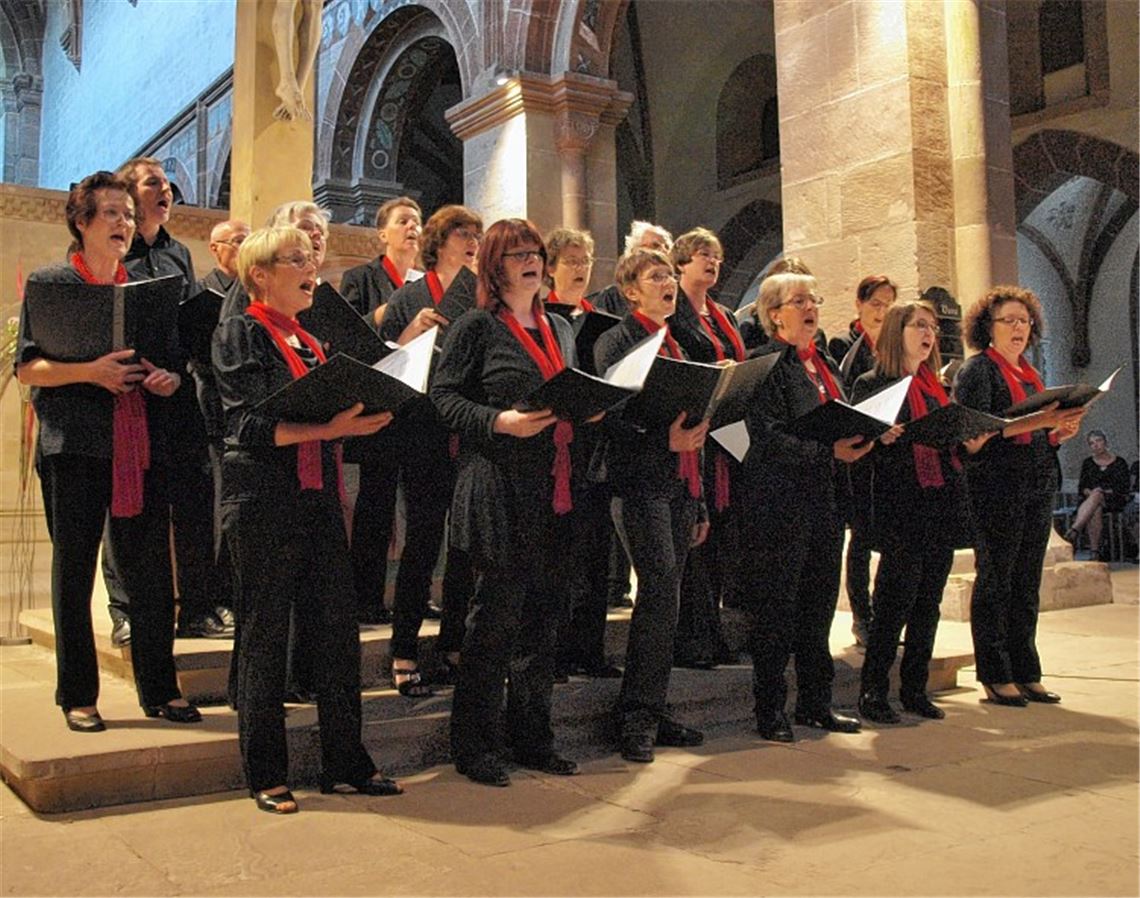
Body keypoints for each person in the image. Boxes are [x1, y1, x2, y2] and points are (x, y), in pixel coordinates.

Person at [214, 225, 403, 814]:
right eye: (295, 260)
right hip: (262, 501)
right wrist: (332, 428)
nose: (310, 268)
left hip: (316, 499)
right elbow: (244, 427)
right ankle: (265, 773)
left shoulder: (312, 340)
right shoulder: (240, 332)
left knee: (336, 634)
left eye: (310, 258)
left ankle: (346, 762)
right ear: (260, 275)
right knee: (266, 635)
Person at [15, 171, 200, 732]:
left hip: (138, 440)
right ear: (83, 222)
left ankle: (160, 689)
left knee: (149, 573)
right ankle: (78, 694)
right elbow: (28, 367)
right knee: (74, 571)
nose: (125, 223)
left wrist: (168, 377)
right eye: (113, 215)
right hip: (74, 444)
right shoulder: (51, 284)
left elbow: (170, 358)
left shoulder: (149, 285)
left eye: (127, 214)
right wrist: (90, 372)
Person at [430, 218, 583, 787]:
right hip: (496, 485)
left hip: (553, 486)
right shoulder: (475, 327)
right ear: (494, 267)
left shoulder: (560, 329)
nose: (531, 261)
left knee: (543, 623)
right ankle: (475, 745)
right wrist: (500, 421)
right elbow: (441, 399)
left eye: (535, 252)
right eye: (517, 254)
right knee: (493, 622)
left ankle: (533, 738)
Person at [739, 271, 876, 742]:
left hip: (827, 498)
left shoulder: (826, 364)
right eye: (799, 300)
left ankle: (816, 704)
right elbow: (761, 438)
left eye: (813, 298)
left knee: (818, 608)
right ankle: (770, 710)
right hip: (780, 502)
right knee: (778, 610)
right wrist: (827, 452)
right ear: (775, 313)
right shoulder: (764, 364)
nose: (811, 306)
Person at [594, 248, 710, 763]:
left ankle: (652, 708)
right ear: (630, 290)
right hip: (636, 482)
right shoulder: (614, 341)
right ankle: (636, 717)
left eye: (669, 275)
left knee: (669, 598)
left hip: (679, 485)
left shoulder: (681, 342)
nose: (667, 283)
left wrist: (700, 499)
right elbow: (612, 419)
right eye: (655, 276)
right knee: (660, 591)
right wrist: (665, 443)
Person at [853, 301, 984, 724]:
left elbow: (947, 443)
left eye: (932, 327)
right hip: (899, 504)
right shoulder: (873, 383)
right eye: (919, 326)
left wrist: (967, 440)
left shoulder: (935, 388)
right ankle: (874, 692)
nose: (929, 335)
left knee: (928, 602)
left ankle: (914, 689)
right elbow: (856, 447)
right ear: (897, 331)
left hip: (939, 504)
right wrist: (879, 437)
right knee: (893, 602)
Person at [955, 285, 1086, 706]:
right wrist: (1040, 420)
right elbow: (976, 429)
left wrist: (1058, 432)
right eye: (1008, 320)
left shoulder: (1029, 374)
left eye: (1024, 321)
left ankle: (1026, 669)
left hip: (1035, 482)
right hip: (995, 486)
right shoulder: (978, 371)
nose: (1018, 328)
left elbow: (1037, 436)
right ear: (987, 328)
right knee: (997, 577)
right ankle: (994, 672)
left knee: (1027, 580)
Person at [377, 205, 483, 693]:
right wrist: (409, 334)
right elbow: (382, 372)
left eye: (477, 235)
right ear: (438, 243)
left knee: (464, 548)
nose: (472, 241)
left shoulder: (483, 300)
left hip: (469, 435)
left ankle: (454, 643)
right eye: (462, 233)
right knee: (422, 546)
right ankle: (403, 650)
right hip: (422, 434)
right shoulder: (409, 296)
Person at [99, 157, 200, 648]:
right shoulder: (114, 251)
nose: (166, 190)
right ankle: (123, 609)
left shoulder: (179, 253)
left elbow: (191, 325)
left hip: (171, 391)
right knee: (123, 506)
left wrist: (179, 375)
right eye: (153, 183)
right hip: (123, 391)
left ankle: (179, 607)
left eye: (167, 184)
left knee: (167, 503)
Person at [340, 196, 423, 626]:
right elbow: (350, 334)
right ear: (382, 233)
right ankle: (365, 597)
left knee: (421, 509)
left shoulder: (429, 280)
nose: (413, 228)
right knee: (376, 505)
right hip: (377, 402)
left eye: (417, 222)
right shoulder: (362, 277)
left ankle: (414, 594)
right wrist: (401, 304)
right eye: (404, 221)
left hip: (418, 406)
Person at [543, 228, 622, 679]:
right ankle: (551, 652)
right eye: (570, 260)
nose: (580, 268)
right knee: (557, 556)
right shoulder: (542, 319)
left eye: (586, 260)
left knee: (595, 553)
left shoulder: (606, 325)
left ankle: (589, 650)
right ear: (551, 266)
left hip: (596, 448)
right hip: (554, 449)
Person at [668, 227, 743, 669]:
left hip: (726, 431)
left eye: (715, 255)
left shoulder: (725, 315)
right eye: (701, 255)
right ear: (680, 263)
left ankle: (711, 629)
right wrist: (713, 370)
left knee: (721, 534)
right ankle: (691, 636)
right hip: (693, 430)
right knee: (695, 537)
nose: (711, 262)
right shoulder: (673, 311)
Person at [829, 275, 898, 648]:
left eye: (889, 306)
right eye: (875, 304)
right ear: (859, 304)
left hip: (889, 453)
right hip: (858, 451)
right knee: (861, 536)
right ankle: (862, 617)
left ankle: (884, 613)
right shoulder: (844, 344)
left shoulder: (893, 345)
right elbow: (847, 395)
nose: (881, 312)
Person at [1065, 430, 1131, 559]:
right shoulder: (1088, 463)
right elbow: (1082, 487)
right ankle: (1094, 553)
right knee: (1096, 506)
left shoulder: (1119, 462)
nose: (1095, 445)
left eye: (1098, 441)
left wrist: (1101, 492)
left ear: (1105, 442)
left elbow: (1123, 487)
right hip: (1091, 500)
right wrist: (1092, 492)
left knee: (1097, 496)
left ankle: (1075, 530)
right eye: (1091, 443)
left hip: (1114, 498)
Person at [588, 221, 673, 317]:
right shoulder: (612, 298)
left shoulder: (680, 294)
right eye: (655, 245)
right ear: (635, 250)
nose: (664, 251)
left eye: (667, 247)